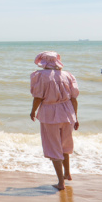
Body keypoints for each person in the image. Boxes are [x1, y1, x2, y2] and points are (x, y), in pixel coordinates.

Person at [29, 51, 79, 190]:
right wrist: (76, 117)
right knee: (65, 144)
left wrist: (33, 111)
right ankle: (67, 173)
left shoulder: (40, 76)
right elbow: (74, 98)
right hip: (68, 113)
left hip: (49, 113)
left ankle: (60, 183)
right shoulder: (67, 75)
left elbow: (38, 97)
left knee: (54, 147)